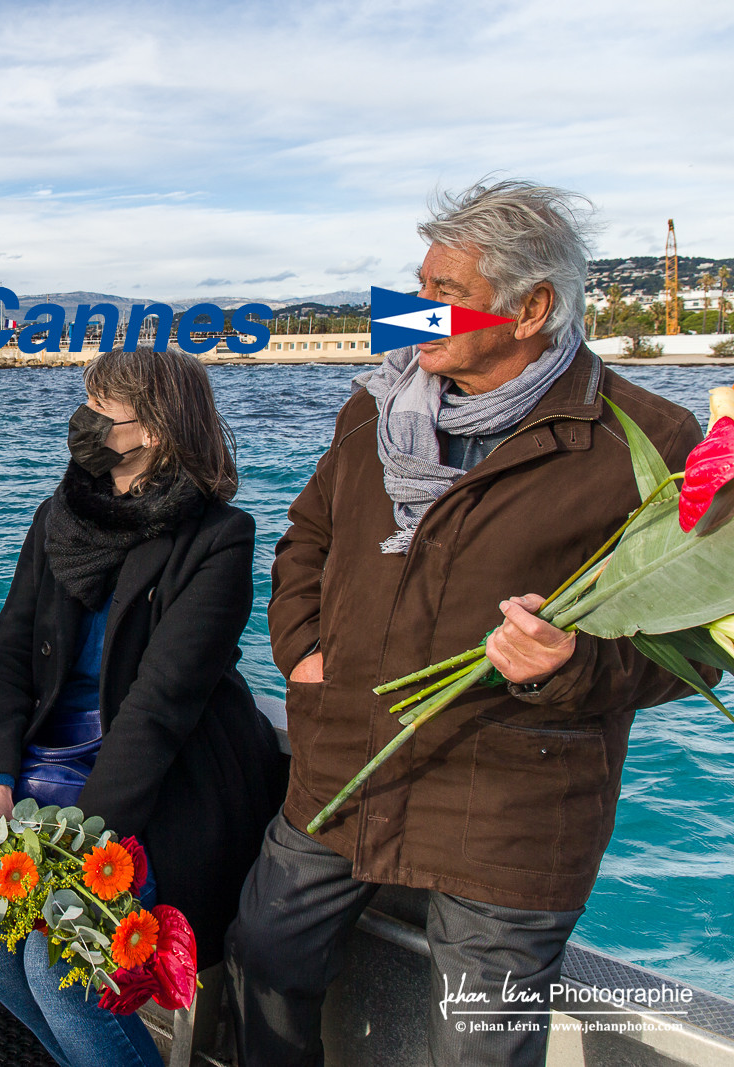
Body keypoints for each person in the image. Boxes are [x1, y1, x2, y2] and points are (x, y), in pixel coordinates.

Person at [226, 179, 711, 1067]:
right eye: (417, 285)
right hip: (345, 762)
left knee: (479, 1046)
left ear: (531, 309)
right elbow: (308, 538)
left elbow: (693, 649)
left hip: (515, 808)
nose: (411, 310)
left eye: (442, 294)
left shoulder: (649, 440)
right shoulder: (374, 405)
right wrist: (303, 652)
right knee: (263, 951)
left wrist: (567, 664)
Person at [0, 348, 286, 1067]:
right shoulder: (59, 517)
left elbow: (158, 709)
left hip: (153, 787)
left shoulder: (218, 538)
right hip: (42, 768)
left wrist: (87, 843)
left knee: (58, 966)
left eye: (99, 409)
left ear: (152, 429)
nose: (82, 420)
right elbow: (7, 659)